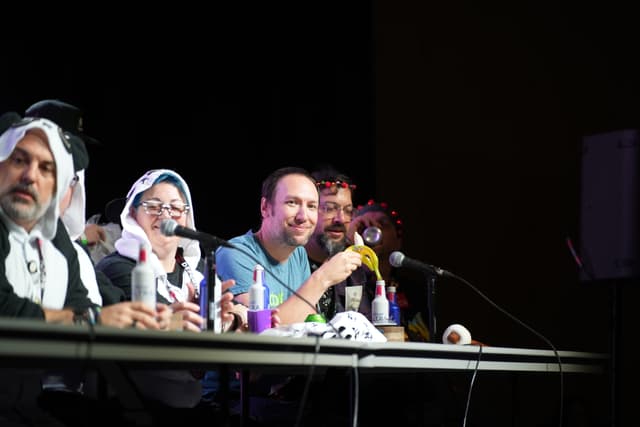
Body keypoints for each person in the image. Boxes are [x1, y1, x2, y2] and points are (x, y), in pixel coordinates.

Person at [0, 113, 171, 426]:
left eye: (47, 168)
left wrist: (165, 320)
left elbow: (92, 307)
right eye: (18, 160)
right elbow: (5, 308)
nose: (30, 176)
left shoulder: (55, 247)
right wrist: (87, 319)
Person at [213, 166, 363, 426]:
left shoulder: (299, 255)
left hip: (283, 391)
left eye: (312, 206)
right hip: (234, 399)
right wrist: (323, 277)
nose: (304, 216)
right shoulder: (234, 252)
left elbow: (304, 328)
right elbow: (263, 339)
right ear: (265, 208)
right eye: (292, 203)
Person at [95, 168, 244, 409]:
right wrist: (213, 321)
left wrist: (231, 320)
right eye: (154, 206)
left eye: (175, 208)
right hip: (133, 405)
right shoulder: (118, 268)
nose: (166, 215)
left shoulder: (196, 271)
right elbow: (163, 325)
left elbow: (233, 315)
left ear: (186, 217)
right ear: (133, 213)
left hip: (189, 404)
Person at [348, 199, 431, 341]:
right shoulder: (346, 283)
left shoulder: (413, 290)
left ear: (398, 241)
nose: (373, 230)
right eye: (363, 227)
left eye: (383, 224)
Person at [305, 166, 373, 321]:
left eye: (348, 210)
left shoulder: (354, 270)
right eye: (329, 209)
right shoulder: (289, 263)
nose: (340, 219)